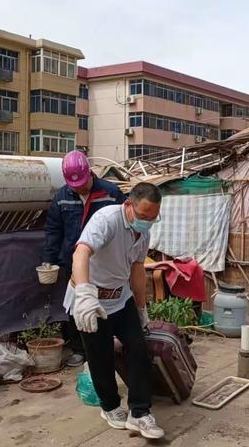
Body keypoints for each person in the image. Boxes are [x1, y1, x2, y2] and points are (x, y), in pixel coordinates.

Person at [71, 182, 164, 440]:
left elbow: (137, 270)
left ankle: (140, 412)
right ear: (128, 206)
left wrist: (142, 308)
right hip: (92, 301)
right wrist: (84, 294)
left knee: (138, 347)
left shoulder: (143, 233)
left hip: (120, 299)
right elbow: (81, 253)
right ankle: (110, 407)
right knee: (101, 356)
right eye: (143, 216)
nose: (147, 221)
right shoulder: (107, 219)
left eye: (153, 218)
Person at [42, 150, 126, 367]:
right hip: (74, 262)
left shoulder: (111, 193)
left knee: (107, 306)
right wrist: (49, 259)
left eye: (81, 182)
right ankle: (80, 349)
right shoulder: (61, 197)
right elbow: (53, 230)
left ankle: (106, 347)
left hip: (105, 263)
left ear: (89, 173)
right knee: (76, 306)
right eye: (73, 184)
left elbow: (124, 225)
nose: (78, 187)